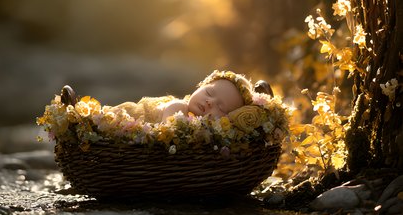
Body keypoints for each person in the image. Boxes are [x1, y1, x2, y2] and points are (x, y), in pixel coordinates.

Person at [60, 70, 273, 124]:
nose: (210, 102)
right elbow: (167, 138)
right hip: (128, 118)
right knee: (102, 120)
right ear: (201, 86)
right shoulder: (179, 107)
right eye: (209, 93)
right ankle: (79, 114)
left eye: (221, 108)